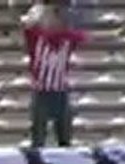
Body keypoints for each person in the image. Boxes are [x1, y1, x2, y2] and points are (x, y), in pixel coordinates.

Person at [23, 3, 86, 148]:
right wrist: (38, 12)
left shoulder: (68, 39)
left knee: (65, 137)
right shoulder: (36, 37)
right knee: (38, 138)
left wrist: (112, 34)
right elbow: (27, 25)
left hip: (60, 93)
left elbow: (88, 37)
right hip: (41, 93)